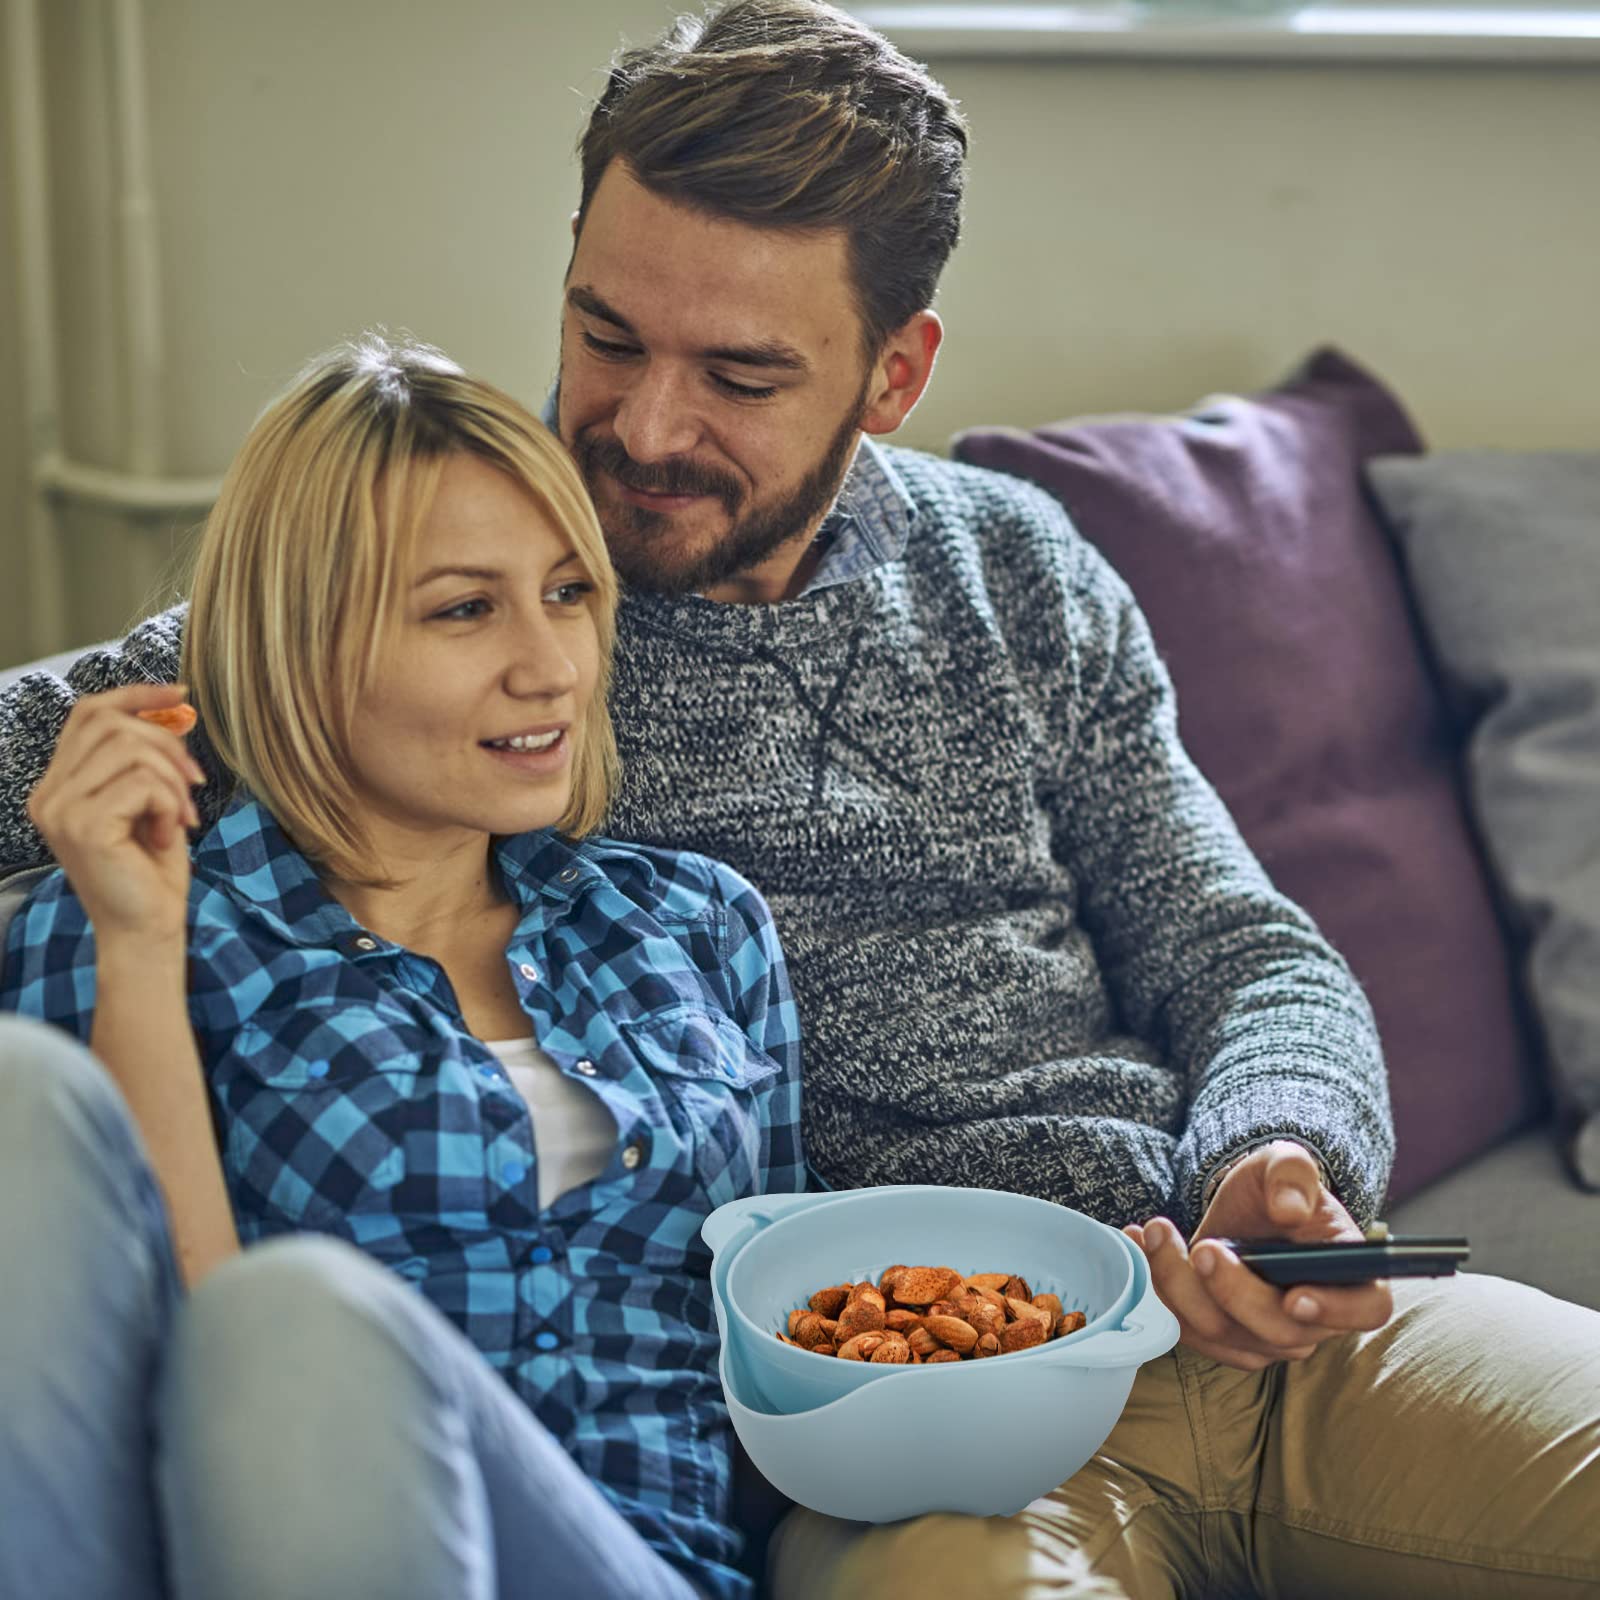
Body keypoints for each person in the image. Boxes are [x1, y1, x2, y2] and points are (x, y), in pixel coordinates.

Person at [1, 3, 1597, 1597]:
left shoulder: (1018, 566)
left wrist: (1278, 1158)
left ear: (895, 372)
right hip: (909, 1426)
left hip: (1226, 1319)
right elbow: (148, 706)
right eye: (607, 335)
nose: (641, 428)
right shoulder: (449, 577)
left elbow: (1241, 944)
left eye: (743, 375)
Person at [0, 335, 804, 1600]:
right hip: (273, 1536)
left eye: (567, 593)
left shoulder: (698, 926)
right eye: (465, 607)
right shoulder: (121, 925)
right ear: (301, 646)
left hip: (634, 1567)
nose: (550, 666)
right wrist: (141, 952)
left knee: (304, 1313)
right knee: (271, 1297)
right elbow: (129, 1385)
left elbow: (785, 1371)